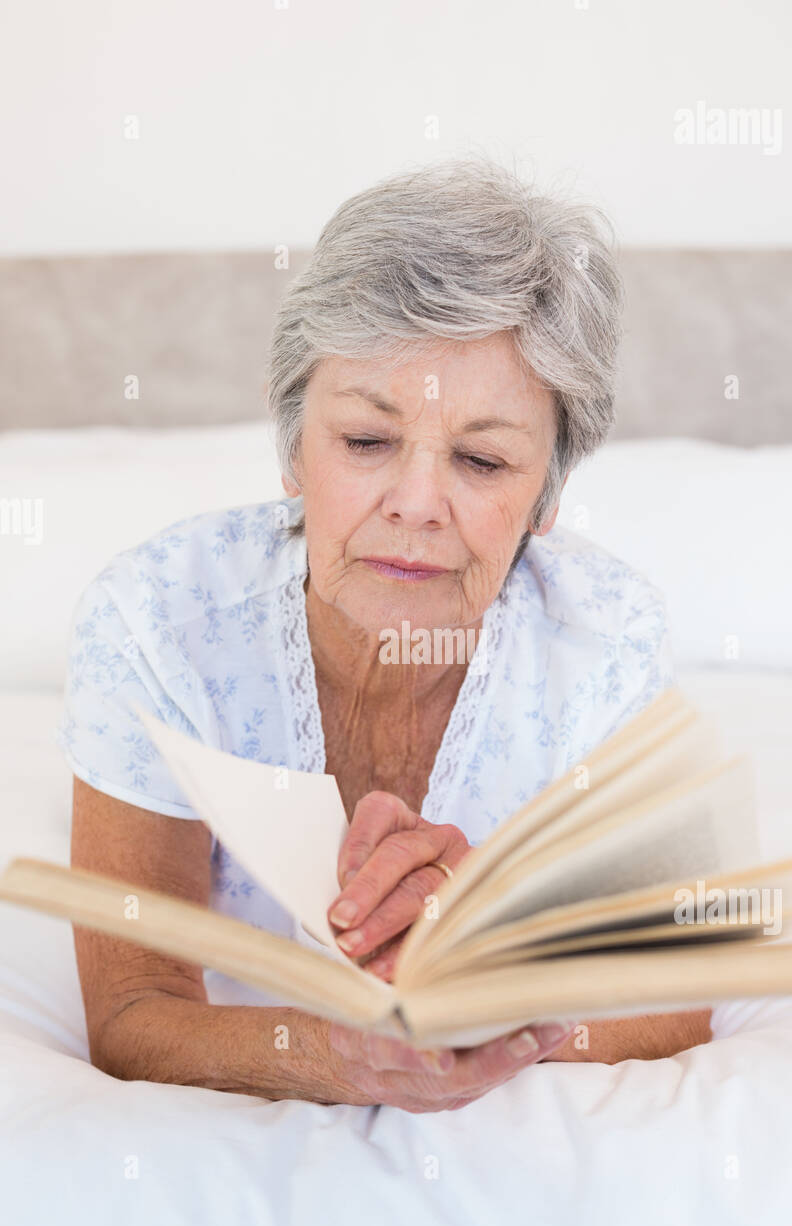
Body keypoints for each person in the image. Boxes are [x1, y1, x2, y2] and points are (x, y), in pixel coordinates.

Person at [62, 158, 710, 1112]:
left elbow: (676, 1003)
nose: (415, 506)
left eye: (483, 460)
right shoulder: (158, 624)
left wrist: (502, 962)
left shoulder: (606, 645)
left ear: (548, 495)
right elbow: (134, 1010)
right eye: (366, 442)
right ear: (293, 447)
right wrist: (345, 1057)